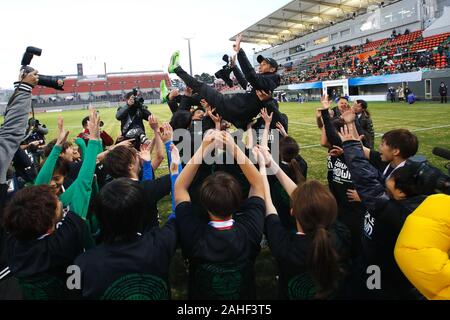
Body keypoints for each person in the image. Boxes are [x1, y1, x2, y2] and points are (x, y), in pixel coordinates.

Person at [338, 119, 426, 299]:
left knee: (374, 288)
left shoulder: (406, 183)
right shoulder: (392, 165)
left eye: (383, 144)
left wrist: (365, 197)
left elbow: (375, 193)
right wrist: (350, 128)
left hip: (380, 258)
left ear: (396, 151)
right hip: (372, 246)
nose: (379, 147)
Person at [174, 130, 265, 299]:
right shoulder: (250, 229)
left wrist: (203, 148)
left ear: (203, 202)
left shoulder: (192, 233)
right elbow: (258, 183)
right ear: (238, 200)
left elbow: (179, 187)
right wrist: (233, 147)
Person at [254, 146, 351, 299]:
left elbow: (268, 203)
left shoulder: (284, 246)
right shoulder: (341, 233)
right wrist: (271, 163)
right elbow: (301, 199)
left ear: (293, 212)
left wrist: (262, 168)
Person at [74, 178, 178, 300]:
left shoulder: (80, 265)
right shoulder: (161, 242)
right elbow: (179, 211)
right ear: (141, 215)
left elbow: (72, 294)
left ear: (99, 217)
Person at [168, 34, 282, 129]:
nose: (261, 66)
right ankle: (172, 98)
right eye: (261, 64)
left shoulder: (272, 79)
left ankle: (176, 69)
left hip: (234, 108)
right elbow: (244, 81)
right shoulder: (261, 82)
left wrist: (240, 51)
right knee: (201, 98)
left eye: (264, 64)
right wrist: (234, 67)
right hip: (235, 112)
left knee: (201, 87)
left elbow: (251, 76)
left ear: (273, 69)